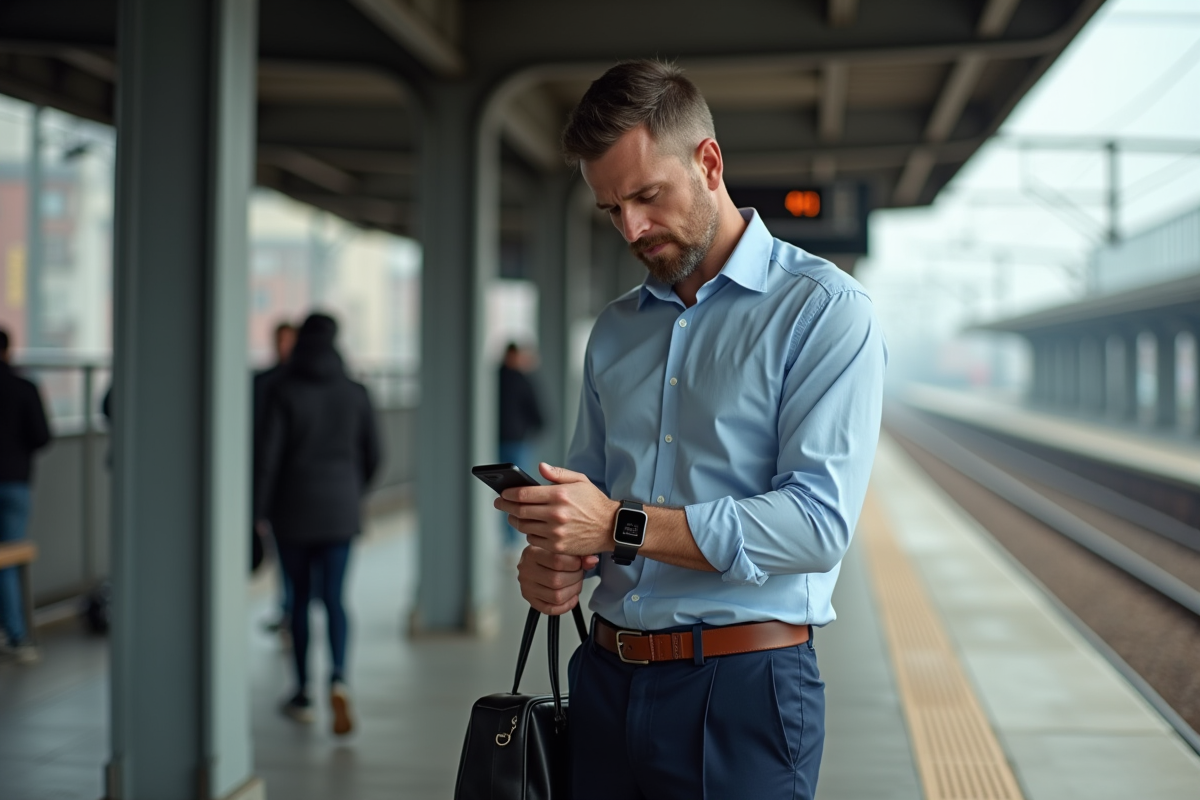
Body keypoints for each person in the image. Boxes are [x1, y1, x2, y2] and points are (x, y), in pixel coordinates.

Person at [496, 61, 886, 800]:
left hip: (744, 690)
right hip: (604, 679)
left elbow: (815, 525)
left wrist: (617, 526)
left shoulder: (824, 312)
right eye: (612, 209)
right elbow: (591, 507)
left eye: (647, 195)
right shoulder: (612, 331)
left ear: (709, 163)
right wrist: (554, 562)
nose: (633, 228)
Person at [255, 313, 380, 736]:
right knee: (335, 599)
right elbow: (375, 454)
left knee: (299, 600)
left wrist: (258, 511)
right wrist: (350, 489)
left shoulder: (279, 389)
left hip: (293, 511)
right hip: (340, 509)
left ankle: (303, 693)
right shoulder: (354, 391)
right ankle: (340, 677)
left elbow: (266, 458)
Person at [0, 327, 52, 664]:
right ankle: (17, 636)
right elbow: (42, 436)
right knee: (9, 559)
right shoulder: (23, 388)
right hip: (14, 481)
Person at [252, 321, 297, 624]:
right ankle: (288, 610)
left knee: (292, 559)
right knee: (282, 557)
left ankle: (291, 610)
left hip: (294, 483)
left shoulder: (291, 385)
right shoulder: (262, 382)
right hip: (275, 484)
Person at [498, 342, 544, 547]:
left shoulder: (495, 377)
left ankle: (511, 537)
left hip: (502, 439)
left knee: (507, 490)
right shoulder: (521, 379)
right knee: (516, 490)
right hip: (516, 441)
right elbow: (538, 413)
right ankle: (512, 537)